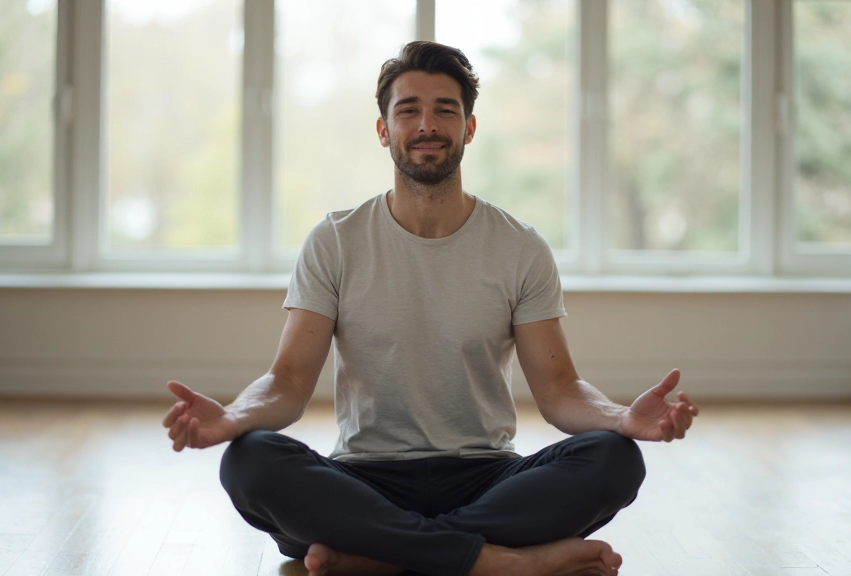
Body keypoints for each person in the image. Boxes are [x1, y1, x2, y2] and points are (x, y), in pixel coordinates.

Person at [162, 41, 698, 576]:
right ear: (383, 130)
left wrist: (620, 418)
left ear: (469, 128)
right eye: (408, 110)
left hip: (485, 476)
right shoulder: (336, 241)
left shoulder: (520, 247)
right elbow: (288, 381)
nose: (427, 125)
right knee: (250, 460)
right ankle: (499, 561)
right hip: (365, 477)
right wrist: (234, 417)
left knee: (614, 458)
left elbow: (559, 390)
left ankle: (382, 557)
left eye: (445, 109)